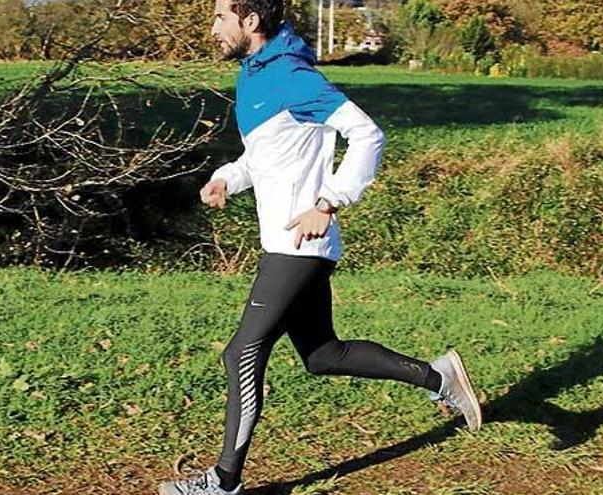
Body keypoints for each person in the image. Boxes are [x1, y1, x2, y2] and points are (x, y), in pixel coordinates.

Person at [159, 1, 482, 494]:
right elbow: (264, 154)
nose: (213, 27)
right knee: (323, 354)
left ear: (250, 21)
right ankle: (439, 378)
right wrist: (226, 177)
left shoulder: (293, 76)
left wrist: (328, 202)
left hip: (300, 244)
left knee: (241, 353)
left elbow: (368, 134)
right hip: (286, 243)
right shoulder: (253, 75)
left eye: (221, 16)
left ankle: (224, 482)